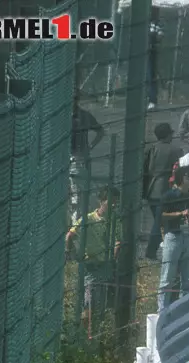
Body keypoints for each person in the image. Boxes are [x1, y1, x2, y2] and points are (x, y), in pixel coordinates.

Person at [65, 186, 120, 335]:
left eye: (116, 202)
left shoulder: (115, 221)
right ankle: (86, 333)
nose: (114, 205)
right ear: (101, 201)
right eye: (111, 202)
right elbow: (70, 235)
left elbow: (117, 242)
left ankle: (97, 332)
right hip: (91, 267)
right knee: (88, 303)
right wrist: (70, 253)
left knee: (101, 303)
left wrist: (112, 259)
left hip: (106, 267)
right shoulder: (88, 219)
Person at [157, 166, 189, 312]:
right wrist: (180, 214)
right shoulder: (169, 195)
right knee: (167, 277)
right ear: (180, 178)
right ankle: (162, 310)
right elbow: (161, 215)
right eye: (188, 176)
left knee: (187, 279)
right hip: (173, 237)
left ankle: (183, 311)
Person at [143, 122, 183, 260]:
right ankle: (151, 251)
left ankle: (162, 247)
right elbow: (179, 170)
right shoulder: (175, 151)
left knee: (159, 220)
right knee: (159, 222)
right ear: (168, 135)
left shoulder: (151, 149)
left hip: (151, 189)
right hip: (164, 189)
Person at [70, 94, 105, 224]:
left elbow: (100, 131)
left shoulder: (84, 116)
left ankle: (74, 224)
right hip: (61, 158)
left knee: (76, 193)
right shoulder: (61, 115)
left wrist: (90, 146)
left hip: (78, 157)